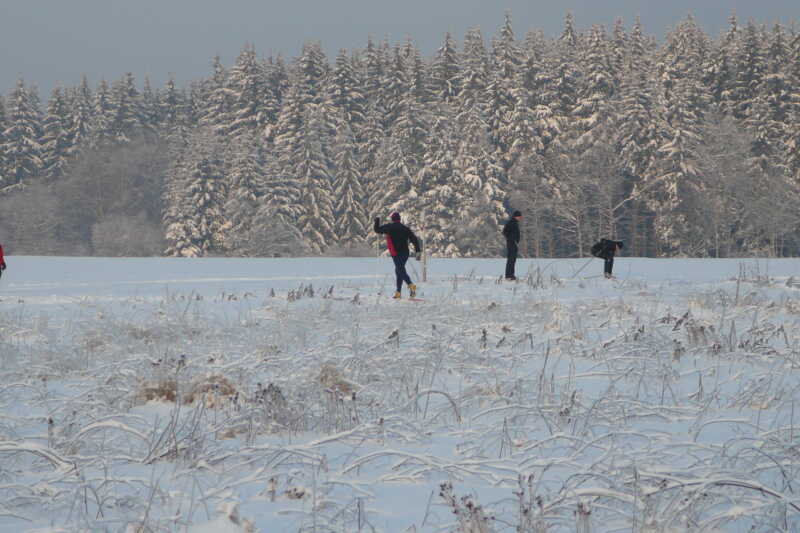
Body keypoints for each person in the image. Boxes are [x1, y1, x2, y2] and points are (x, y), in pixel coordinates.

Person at [374, 212, 422, 299]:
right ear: (399, 219)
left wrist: (377, 220)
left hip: (396, 253)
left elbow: (377, 230)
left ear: (392, 219)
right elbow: (414, 239)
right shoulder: (405, 228)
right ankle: (398, 292)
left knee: (400, 270)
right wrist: (418, 251)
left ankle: (411, 285)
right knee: (398, 270)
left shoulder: (389, 227)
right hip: (405, 253)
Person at [502, 210, 522, 280]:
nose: (520, 218)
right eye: (519, 216)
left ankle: (511, 275)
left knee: (513, 260)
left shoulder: (515, 223)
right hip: (511, 244)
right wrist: (511, 239)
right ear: (516, 216)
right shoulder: (511, 223)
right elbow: (504, 232)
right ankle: (509, 275)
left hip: (514, 244)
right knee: (511, 260)